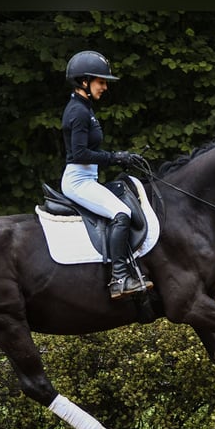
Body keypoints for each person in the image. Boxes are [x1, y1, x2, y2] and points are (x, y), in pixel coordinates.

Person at [61, 50, 153, 300]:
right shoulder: (78, 112)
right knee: (121, 213)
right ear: (84, 82)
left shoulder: (84, 107)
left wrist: (121, 157)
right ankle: (120, 278)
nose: (104, 87)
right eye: (100, 82)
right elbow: (79, 153)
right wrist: (116, 157)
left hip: (87, 177)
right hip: (78, 181)